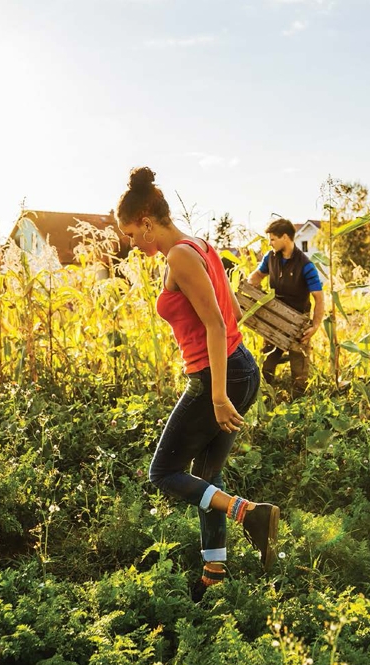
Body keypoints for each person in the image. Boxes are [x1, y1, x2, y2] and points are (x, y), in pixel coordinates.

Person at [115, 167, 280, 597]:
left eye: (133, 234)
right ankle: (214, 575)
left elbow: (215, 325)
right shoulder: (199, 246)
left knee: (163, 471)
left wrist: (219, 396)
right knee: (208, 476)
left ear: (148, 223)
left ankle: (251, 515)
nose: (133, 244)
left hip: (217, 375)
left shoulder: (180, 256)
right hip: (236, 367)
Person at [247, 218, 325, 396]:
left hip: (298, 321)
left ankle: (299, 402)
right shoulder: (271, 257)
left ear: (285, 237)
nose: (270, 243)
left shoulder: (306, 266)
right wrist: (249, 283)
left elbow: (319, 298)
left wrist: (315, 325)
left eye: (273, 239)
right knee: (267, 360)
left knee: (299, 367)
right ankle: (266, 397)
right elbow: (259, 274)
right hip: (274, 317)